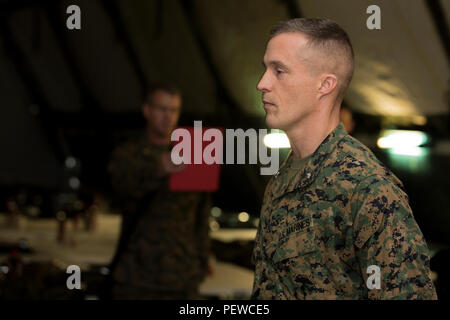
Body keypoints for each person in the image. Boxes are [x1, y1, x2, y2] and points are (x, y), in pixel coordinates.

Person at [251, 18, 437, 300]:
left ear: (324, 85)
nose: (262, 83)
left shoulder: (368, 188)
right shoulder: (283, 178)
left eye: (279, 71)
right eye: (265, 69)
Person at [107, 83, 211, 299]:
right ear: (147, 110)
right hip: (137, 274)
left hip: (182, 275)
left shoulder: (194, 153)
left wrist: (203, 257)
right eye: (162, 109)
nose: (168, 116)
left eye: (173, 110)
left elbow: (201, 215)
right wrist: (156, 168)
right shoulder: (129, 153)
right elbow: (119, 189)